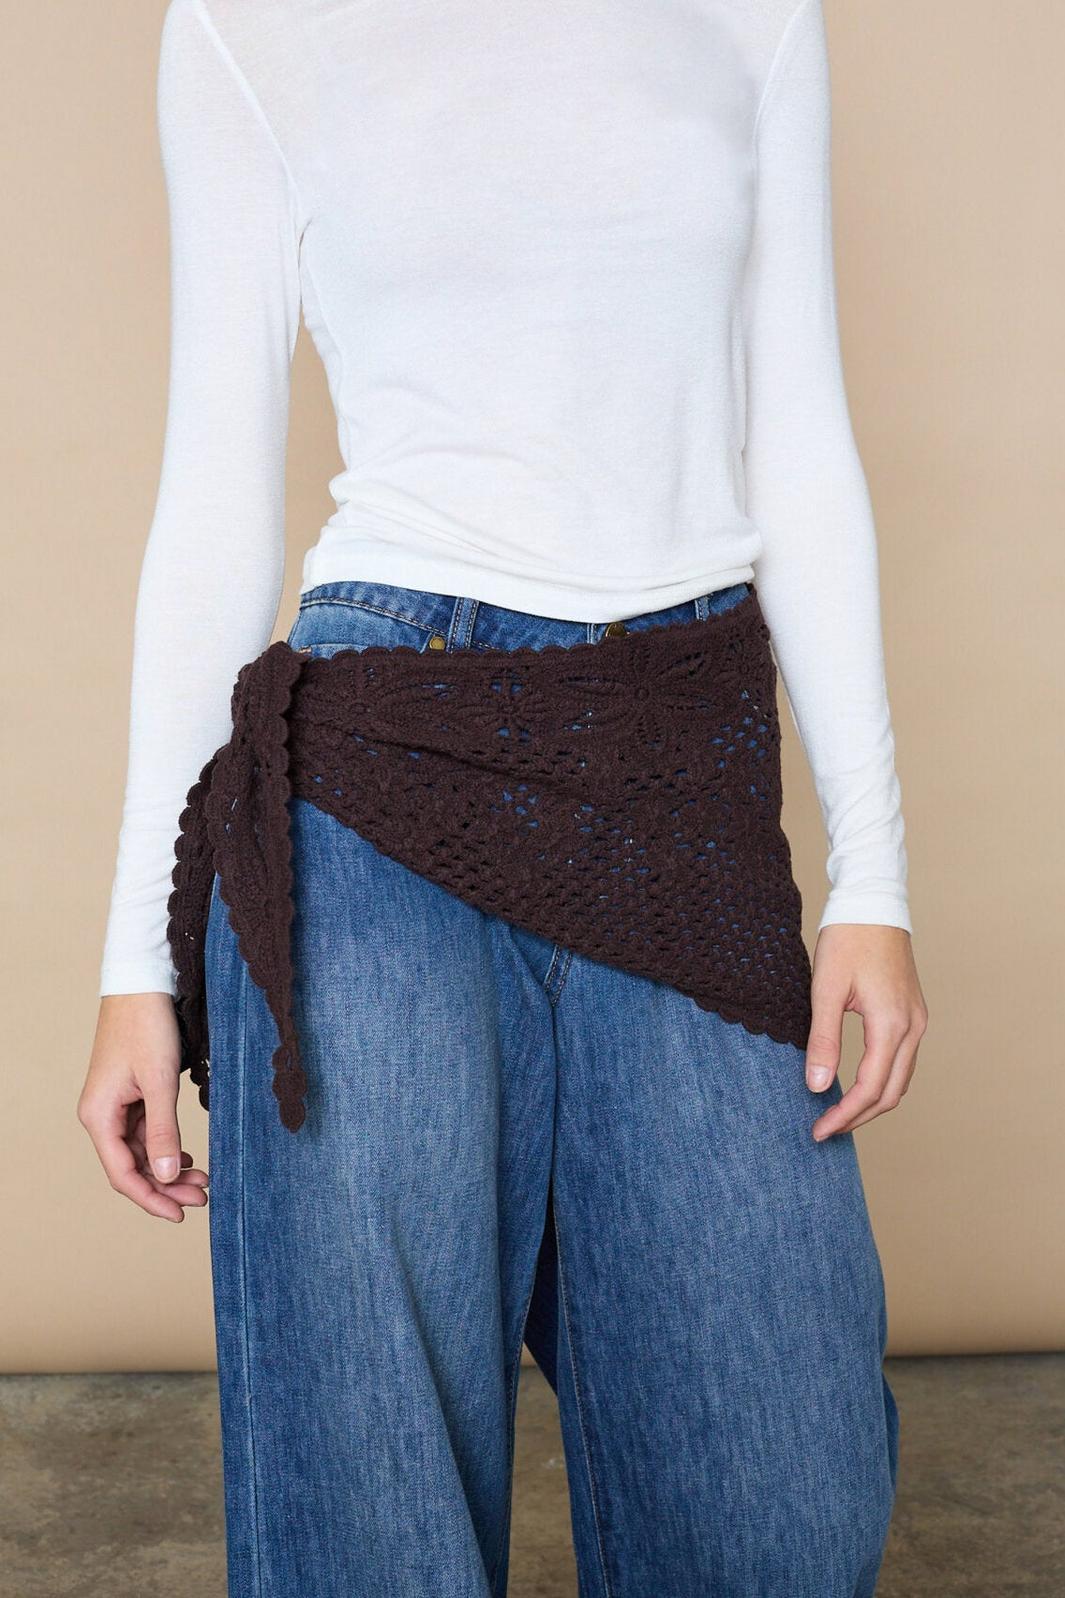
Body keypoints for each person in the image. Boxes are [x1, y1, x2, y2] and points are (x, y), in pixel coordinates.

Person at [78, 0, 929, 1593]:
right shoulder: (247, 27)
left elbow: (798, 436)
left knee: (780, 1500)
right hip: (373, 776)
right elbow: (212, 494)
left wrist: (870, 875)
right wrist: (139, 957)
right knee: (368, 1491)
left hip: (675, 757)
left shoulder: (749, 17)